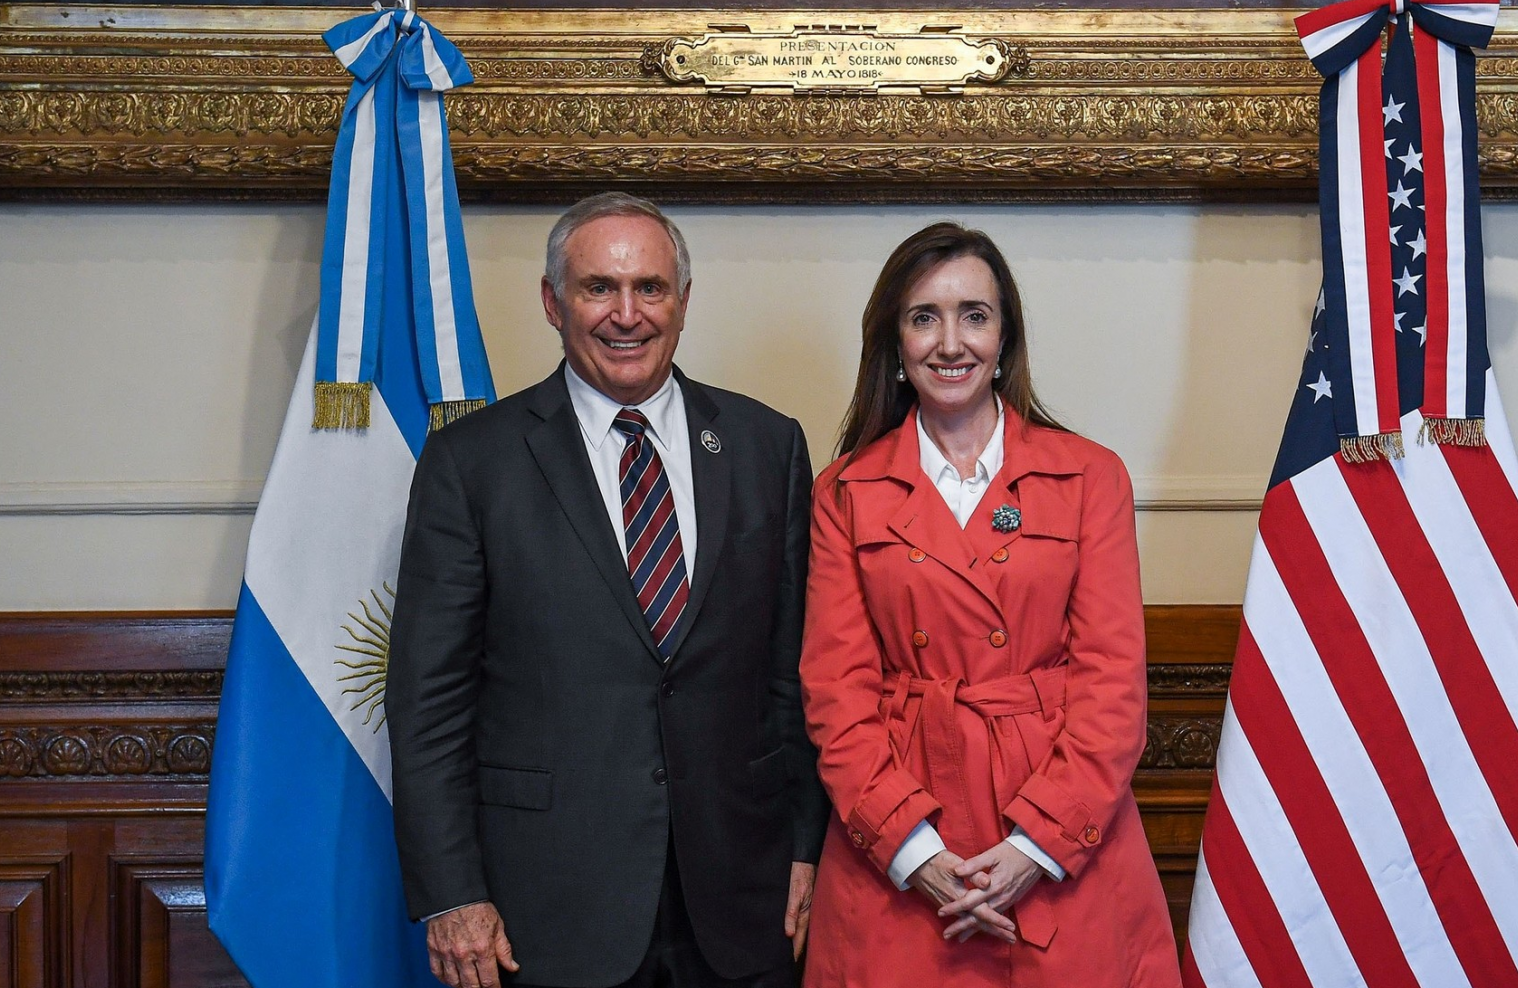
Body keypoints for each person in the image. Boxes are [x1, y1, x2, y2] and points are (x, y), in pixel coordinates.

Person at [387, 192, 830, 988]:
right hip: (546, 911)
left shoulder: (769, 446)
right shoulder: (471, 464)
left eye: (651, 289)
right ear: (553, 303)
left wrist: (806, 847)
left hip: (741, 900)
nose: (627, 315)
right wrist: (452, 893)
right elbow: (429, 705)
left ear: (684, 302)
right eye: (599, 288)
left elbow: (791, 675)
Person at [798, 223, 1182, 987]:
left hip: (1064, 842)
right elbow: (836, 697)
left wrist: (1032, 849)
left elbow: (1112, 688)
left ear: (1006, 338)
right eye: (924, 317)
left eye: (975, 315)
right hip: (902, 855)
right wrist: (920, 856)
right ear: (895, 345)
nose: (951, 342)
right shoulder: (844, 490)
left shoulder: (1089, 477)